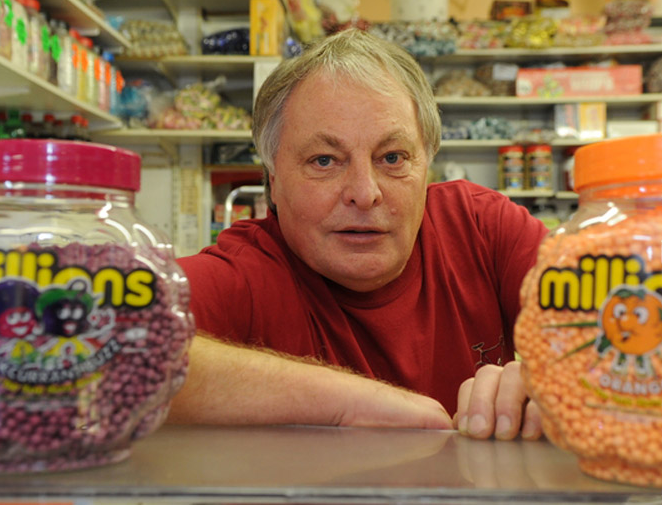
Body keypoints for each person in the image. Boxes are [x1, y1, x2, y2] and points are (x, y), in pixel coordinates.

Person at [169, 28, 547, 441]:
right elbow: (98, 344)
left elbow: (618, 313)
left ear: (427, 165)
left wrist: (554, 384)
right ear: (273, 180)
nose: (365, 194)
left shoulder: (483, 230)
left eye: (392, 157)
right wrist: (347, 403)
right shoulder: (246, 275)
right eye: (325, 160)